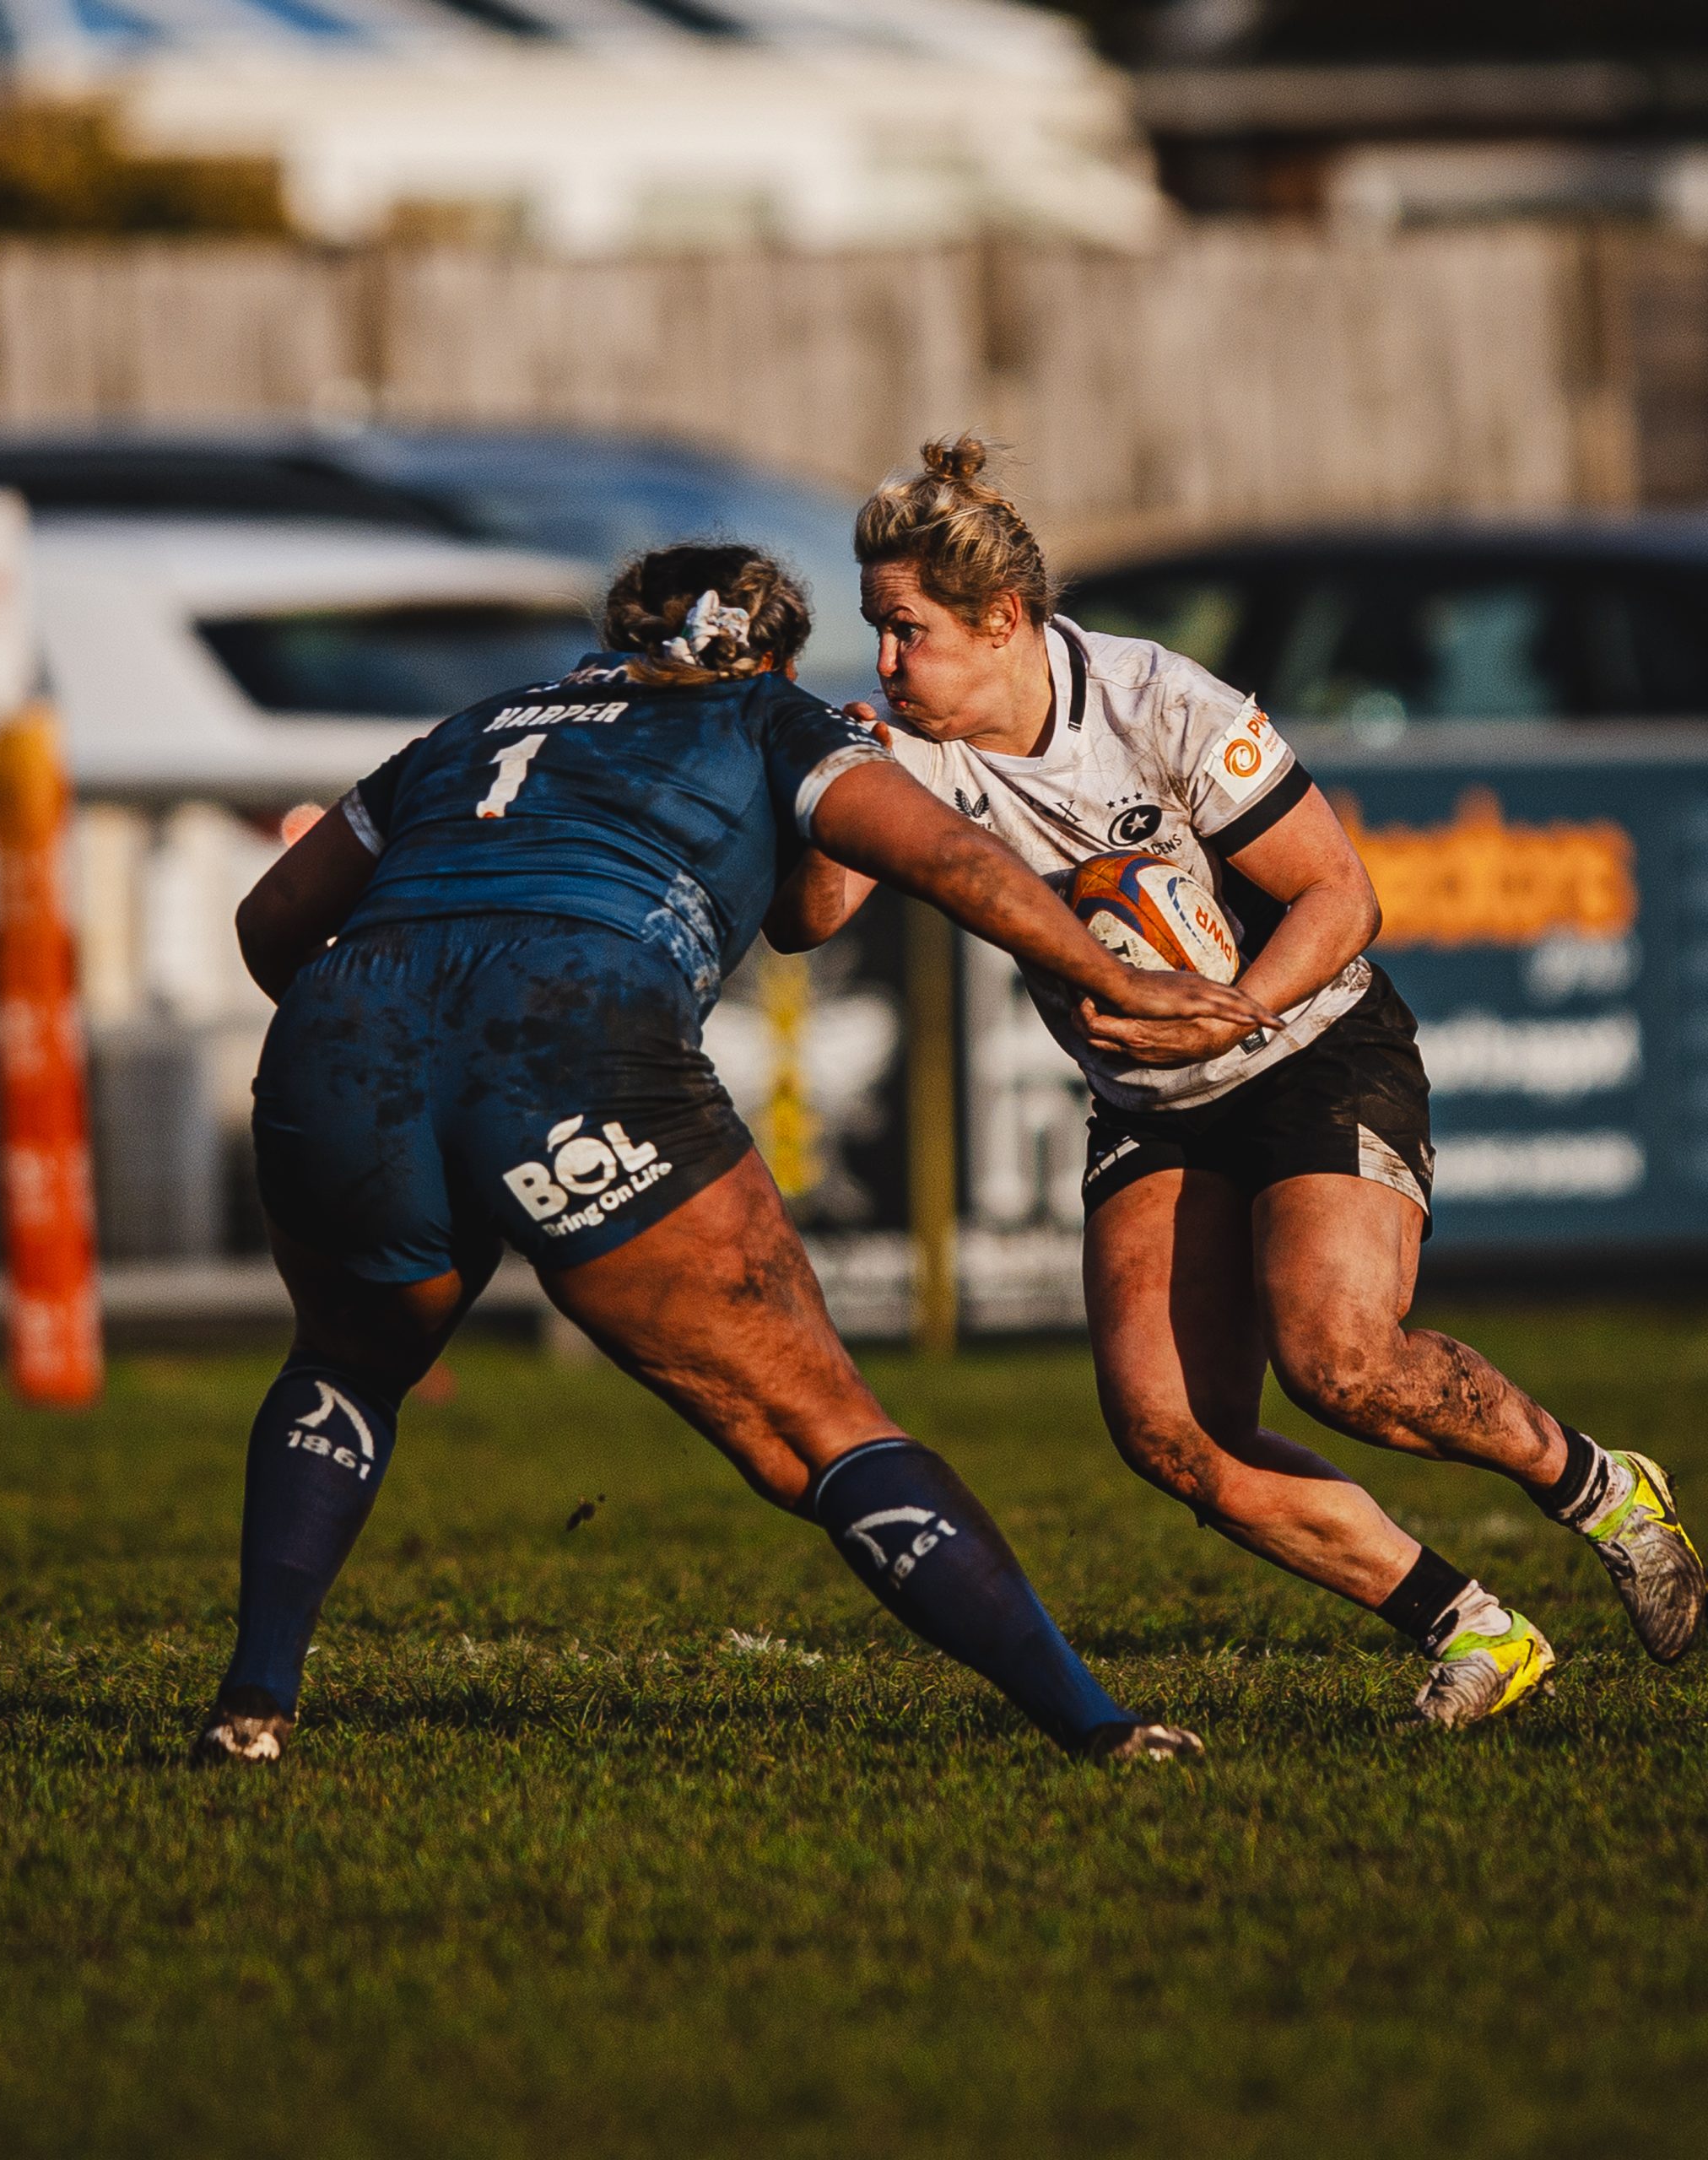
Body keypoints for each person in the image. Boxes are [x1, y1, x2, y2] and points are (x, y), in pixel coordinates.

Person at [197, 541, 1278, 1768]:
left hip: (346, 1028)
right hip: (570, 1032)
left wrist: (386, 1046)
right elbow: (945, 858)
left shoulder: (476, 724)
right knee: (816, 1430)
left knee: (346, 1364)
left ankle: (253, 1704)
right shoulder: (768, 714)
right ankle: (1098, 1726)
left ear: (616, 637)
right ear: (773, 656)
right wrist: (1114, 978)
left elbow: (270, 921)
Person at [764, 438, 1705, 1728]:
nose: (882, 660)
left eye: (905, 631)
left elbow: (1342, 895)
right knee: (1171, 1435)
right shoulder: (909, 752)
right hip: (1151, 1105)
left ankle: (1601, 1490)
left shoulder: (1157, 704)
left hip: (1315, 1049)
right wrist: (834, 787)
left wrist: (1229, 1014)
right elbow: (808, 924)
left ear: (1001, 622)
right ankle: (1475, 1628)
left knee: (1341, 1361)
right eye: (877, 630)